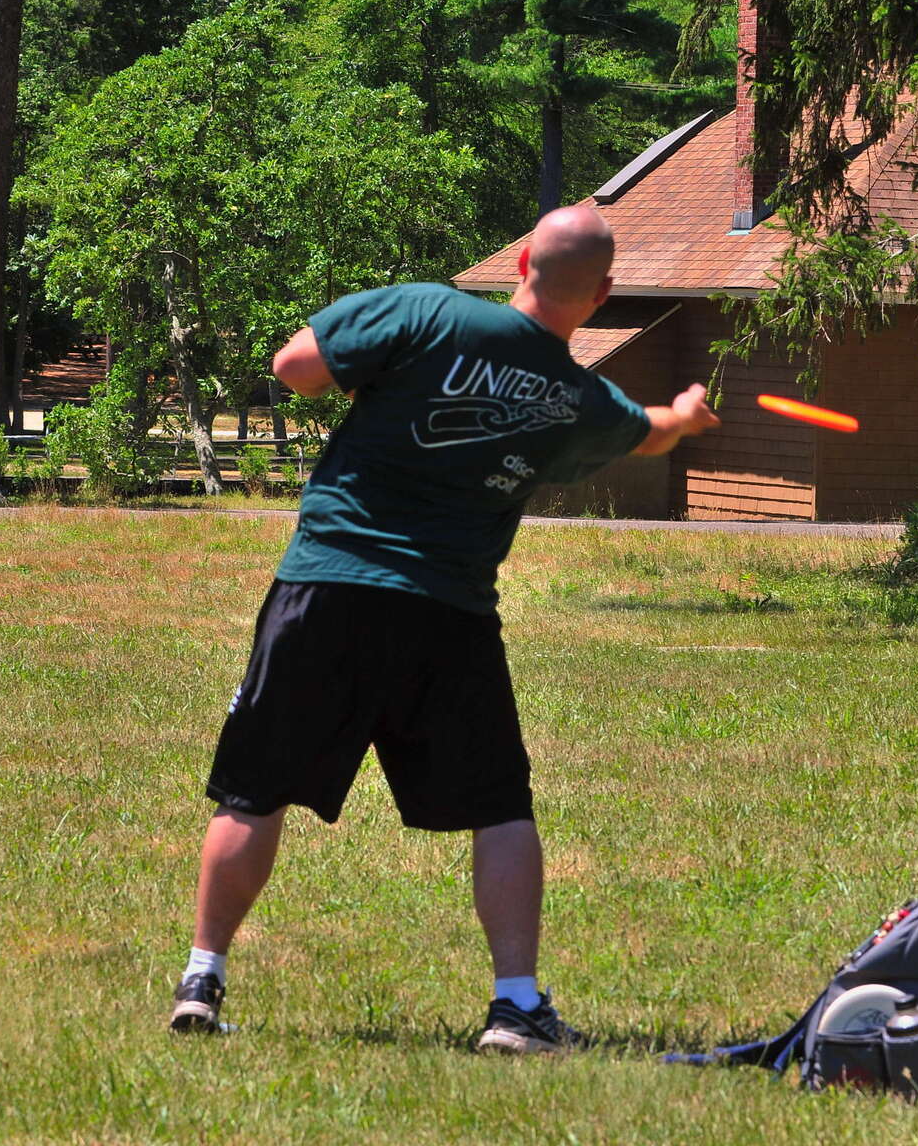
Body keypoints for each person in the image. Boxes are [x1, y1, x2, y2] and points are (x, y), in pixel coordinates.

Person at [168, 204, 719, 1052]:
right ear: (602, 295)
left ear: (523, 262)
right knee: (500, 807)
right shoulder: (577, 397)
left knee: (255, 789)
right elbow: (647, 435)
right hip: (449, 613)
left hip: (328, 585)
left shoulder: (425, 309)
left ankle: (202, 981)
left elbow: (296, 368)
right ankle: (516, 1008)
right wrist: (684, 412)